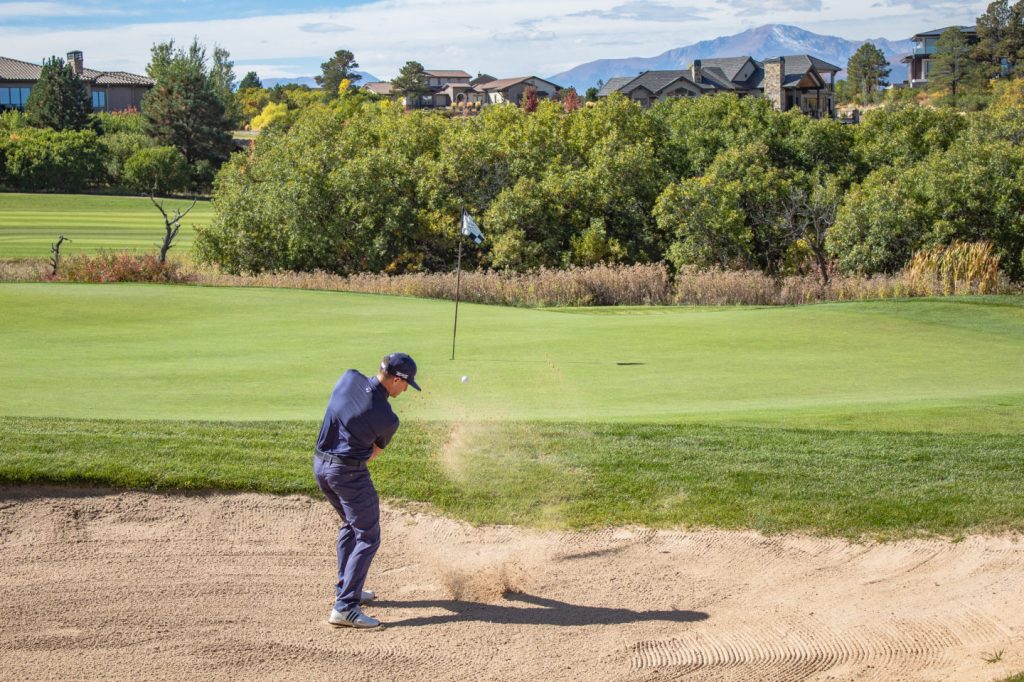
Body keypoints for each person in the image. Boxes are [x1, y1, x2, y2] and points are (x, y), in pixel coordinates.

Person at [313, 352, 420, 628]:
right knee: (368, 536)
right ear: (397, 380)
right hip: (348, 474)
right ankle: (345, 606)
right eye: (407, 384)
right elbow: (372, 454)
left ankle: (346, 588)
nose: (407, 389)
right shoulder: (387, 418)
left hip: (320, 466)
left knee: (351, 524)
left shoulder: (349, 377)